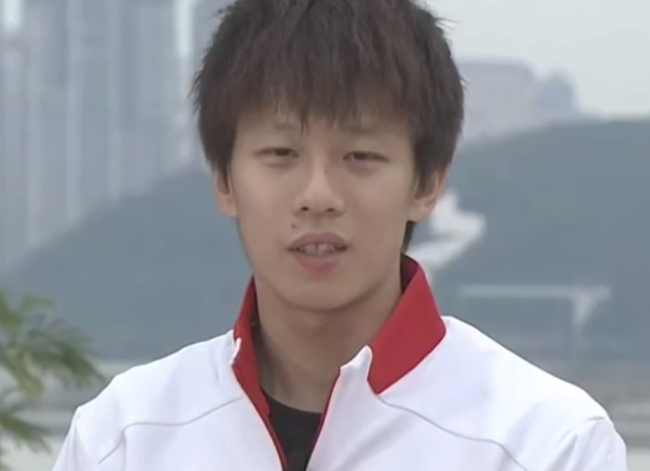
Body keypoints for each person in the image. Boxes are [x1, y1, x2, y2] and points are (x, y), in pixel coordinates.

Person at [52, 0, 628, 470]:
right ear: (225, 180)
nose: (318, 194)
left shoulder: (546, 444)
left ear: (427, 183)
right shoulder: (125, 438)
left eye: (360, 156)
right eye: (281, 153)